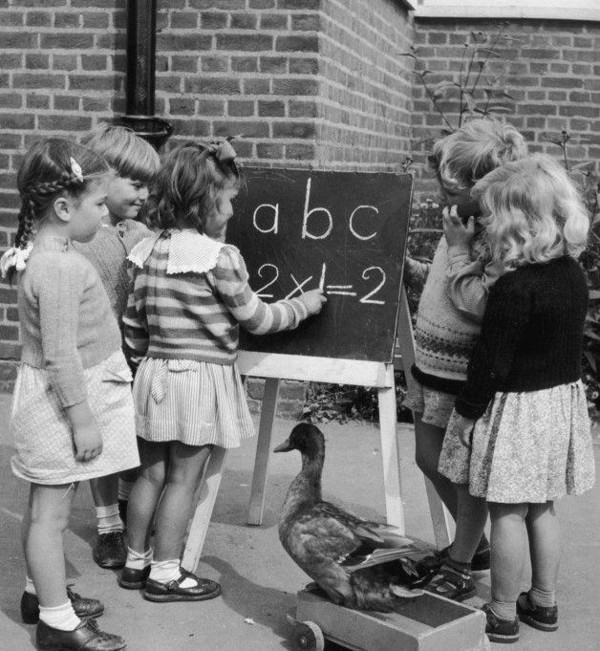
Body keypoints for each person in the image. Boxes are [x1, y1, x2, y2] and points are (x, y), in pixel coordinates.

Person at [119, 139, 327, 602]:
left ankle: (135, 563)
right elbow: (255, 317)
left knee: (150, 476)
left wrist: (141, 365)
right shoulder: (220, 258)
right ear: (202, 204)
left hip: (152, 375)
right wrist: (302, 307)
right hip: (197, 380)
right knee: (182, 480)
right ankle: (166, 573)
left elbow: (133, 323)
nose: (233, 211)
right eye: (229, 201)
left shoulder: (146, 252)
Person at [438, 153, 595, 643]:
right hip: (556, 406)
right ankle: (543, 603)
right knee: (542, 506)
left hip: (519, 410)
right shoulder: (573, 274)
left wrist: (466, 415)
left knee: (506, 511)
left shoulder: (514, 288)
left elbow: (491, 362)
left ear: (515, 227)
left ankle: (502, 611)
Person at [0, 138, 139, 651]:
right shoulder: (58, 267)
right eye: (99, 205)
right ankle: (57, 624)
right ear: (63, 207)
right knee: (50, 514)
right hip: (61, 406)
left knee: (46, 508)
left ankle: (42, 595)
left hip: (59, 401)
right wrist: (82, 418)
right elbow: (60, 354)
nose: (105, 216)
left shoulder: (54, 254)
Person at [403, 119, 528, 598]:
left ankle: (461, 558)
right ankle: (472, 546)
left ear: (485, 189)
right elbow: (443, 282)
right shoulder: (460, 222)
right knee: (427, 458)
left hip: (462, 374)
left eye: (449, 188)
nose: (441, 195)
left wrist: (457, 249)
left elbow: (478, 303)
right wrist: (415, 269)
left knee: (462, 473)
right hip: (431, 365)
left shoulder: (495, 237)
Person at [75, 123, 160, 570]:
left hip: (134, 351)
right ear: (102, 178)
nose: (145, 193)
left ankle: (129, 506)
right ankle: (108, 524)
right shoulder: (82, 237)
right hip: (95, 355)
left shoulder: (141, 232)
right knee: (103, 441)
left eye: (150, 185)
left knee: (135, 433)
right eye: (136, 183)